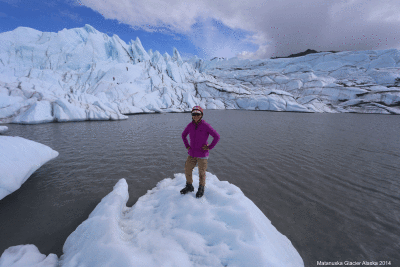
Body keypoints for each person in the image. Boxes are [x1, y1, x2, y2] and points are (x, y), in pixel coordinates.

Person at [180, 106, 220, 198]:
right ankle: (189, 186)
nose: (196, 116)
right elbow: (183, 135)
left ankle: (201, 188)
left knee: (201, 173)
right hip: (192, 153)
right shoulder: (190, 125)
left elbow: (217, 136)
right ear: (192, 115)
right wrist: (187, 146)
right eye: (194, 114)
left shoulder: (206, 126)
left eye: (198, 114)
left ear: (201, 115)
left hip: (202, 154)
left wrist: (209, 147)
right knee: (187, 169)